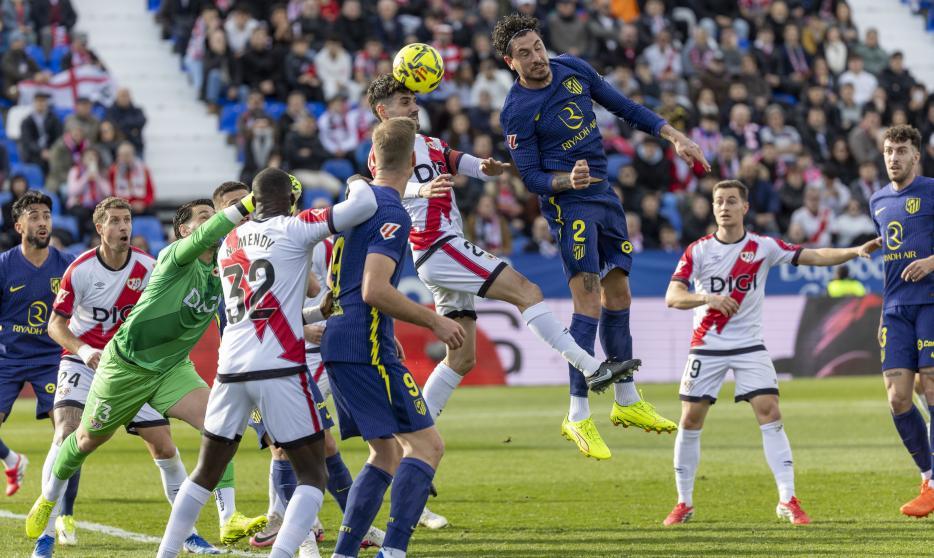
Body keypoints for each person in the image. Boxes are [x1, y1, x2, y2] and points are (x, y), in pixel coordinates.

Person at [367, 74, 638, 465]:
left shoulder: (430, 144)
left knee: (462, 358)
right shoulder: (384, 148)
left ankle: (414, 440)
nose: (414, 107)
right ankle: (592, 367)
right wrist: (420, 190)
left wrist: (487, 167)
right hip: (438, 246)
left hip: (441, 251)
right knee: (527, 292)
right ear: (383, 111)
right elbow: (382, 187)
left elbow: (464, 163)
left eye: (414, 100)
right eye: (404, 102)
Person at [494, 13, 708, 457]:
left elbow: (625, 107)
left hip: (604, 196)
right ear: (510, 62)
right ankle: (577, 415)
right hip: (569, 205)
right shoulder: (516, 110)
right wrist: (565, 181)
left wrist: (674, 136)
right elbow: (530, 177)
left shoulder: (572, 68)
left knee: (619, 295)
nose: (537, 58)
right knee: (588, 300)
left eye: (538, 47)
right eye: (525, 54)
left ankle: (626, 400)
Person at [155, 168, 378, 558]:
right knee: (313, 474)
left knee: (205, 472)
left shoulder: (229, 242)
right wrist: (356, 179)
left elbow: (263, 308)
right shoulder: (295, 226)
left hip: (230, 371)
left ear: (251, 202)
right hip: (280, 368)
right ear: (289, 200)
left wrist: (313, 312)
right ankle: (285, 552)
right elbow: (363, 205)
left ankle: (166, 552)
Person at [26, 188, 266, 546]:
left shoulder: (224, 268)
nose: (211, 221)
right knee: (85, 439)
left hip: (170, 368)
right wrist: (249, 201)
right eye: (204, 217)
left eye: (128, 220)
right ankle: (49, 498)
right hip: (125, 366)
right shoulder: (173, 257)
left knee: (219, 425)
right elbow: (57, 324)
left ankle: (227, 517)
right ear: (185, 231)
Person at [662, 179, 880, 526]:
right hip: (707, 344)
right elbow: (673, 297)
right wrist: (707, 298)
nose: (724, 207)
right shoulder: (697, 251)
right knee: (690, 418)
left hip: (749, 345)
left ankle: (787, 499)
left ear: (745, 207)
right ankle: (683, 503)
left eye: (731, 201)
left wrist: (853, 252)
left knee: (770, 411)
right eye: (719, 201)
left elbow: (814, 255)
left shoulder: (763, 247)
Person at [320, 117, 457, 558]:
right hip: (364, 346)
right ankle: (393, 551)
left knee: (385, 454)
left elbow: (338, 282)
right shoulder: (391, 211)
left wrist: (385, 328)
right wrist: (434, 322)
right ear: (413, 161)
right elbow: (374, 289)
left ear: (371, 159)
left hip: (340, 340)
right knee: (427, 446)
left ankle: (344, 552)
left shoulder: (354, 205)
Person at [866, 125, 934, 517]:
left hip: (930, 303)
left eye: (901, 150)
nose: (894, 157)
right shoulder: (877, 200)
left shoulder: (931, 191)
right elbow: (890, 262)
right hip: (895, 310)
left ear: (916, 156)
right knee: (897, 397)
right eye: (889, 150)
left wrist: (931, 262)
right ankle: (927, 477)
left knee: (932, 384)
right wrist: (883, 313)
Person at [0, 191, 74, 499]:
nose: (43, 222)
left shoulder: (68, 265)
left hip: (53, 359)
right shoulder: (4, 266)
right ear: (19, 226)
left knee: (68, 433)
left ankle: (65, 514)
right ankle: (11, 459)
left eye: (46, 216)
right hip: (8, 358)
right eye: (34, 217)